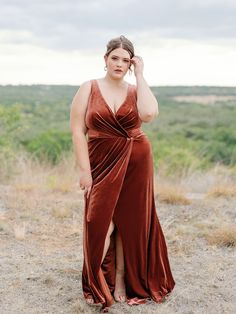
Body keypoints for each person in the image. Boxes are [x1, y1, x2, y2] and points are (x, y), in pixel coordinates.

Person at [70, 35, 175, 312]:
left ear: (131, 64)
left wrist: (141, 75)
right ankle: (95, 280)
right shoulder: (88, 88)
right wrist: (84, 170)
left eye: (125, 60)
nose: (119, 63)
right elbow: (77, 131)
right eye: (114, 58)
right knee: (100, 223)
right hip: (100, 163)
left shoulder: (134, 89)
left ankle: (119, 282)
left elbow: (150, 114)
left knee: (129, 224)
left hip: (135, 160)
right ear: (105, 59)